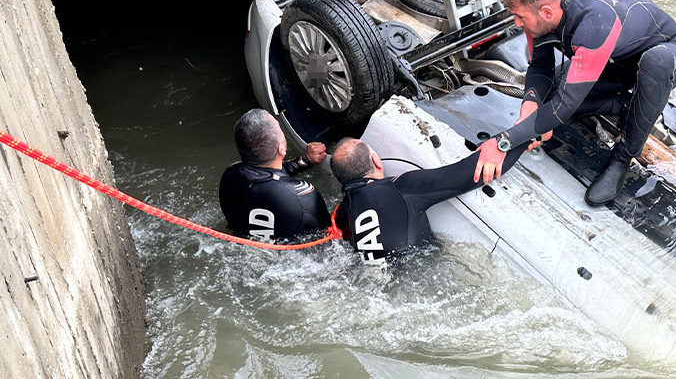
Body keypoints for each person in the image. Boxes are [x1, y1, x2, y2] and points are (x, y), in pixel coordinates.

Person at [473, 0, 676, 205]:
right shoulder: (540, 9)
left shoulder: (594, 23)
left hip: (667, 55)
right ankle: (624, 105)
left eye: (520, 17)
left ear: (547, 12)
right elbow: (540, 67)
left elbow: (564, 107)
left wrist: (503, 142)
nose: (516, 23)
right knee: (547, 100)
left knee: (655, 62)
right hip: (611, 61)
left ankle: (623, 157)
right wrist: (529, 107)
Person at [329, 137, 527, 264]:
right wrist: (521, 139)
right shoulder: (400, 188)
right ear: (376, 161)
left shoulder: (341, 215)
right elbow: (472, 173)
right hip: (420, 278)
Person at [219, 108, 330, 239]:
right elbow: (331, 237)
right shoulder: (302, 195)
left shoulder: (230, 176)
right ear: (281, 149)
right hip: (291, 256)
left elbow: (268, 173)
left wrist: (305, 160)